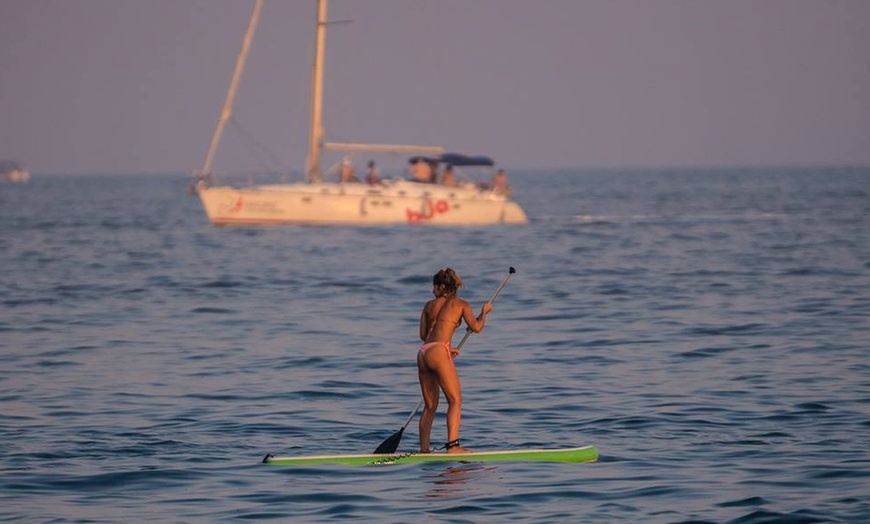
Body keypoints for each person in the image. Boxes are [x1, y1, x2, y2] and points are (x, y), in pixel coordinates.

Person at [417, 268, 492, 454]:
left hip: (423, 352)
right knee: (455, 400)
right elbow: (476, 327)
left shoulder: (428, 305)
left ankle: (424, 450)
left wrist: (445, 348)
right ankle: (453, 447)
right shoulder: (462, 304)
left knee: (430, 406)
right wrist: (484, 313)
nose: (432, 291)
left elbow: (423, 336)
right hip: (438, 352)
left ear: (442, 287)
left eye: (433, 287)